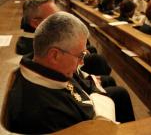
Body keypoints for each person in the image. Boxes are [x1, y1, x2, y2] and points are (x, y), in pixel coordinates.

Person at [7, 12, 135, 134]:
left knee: (118, 92)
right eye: (80, 55)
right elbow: (97, 127)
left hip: (86, 108)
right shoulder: (46, 112)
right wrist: (97, 97)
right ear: (55, 55)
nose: (81, 63)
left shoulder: (47, 68)